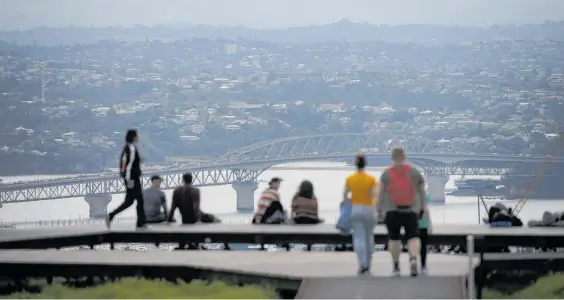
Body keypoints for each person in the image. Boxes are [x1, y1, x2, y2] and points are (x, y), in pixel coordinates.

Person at [378, 147, 428, 277]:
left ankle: (396, 266)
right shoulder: (413, 171)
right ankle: (413, 259)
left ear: (392, 157)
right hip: (410, 210)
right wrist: (422, 207)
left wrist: (379, 209)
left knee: (394, 239)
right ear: (404, 156)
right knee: (413, 237)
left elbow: (380, 193)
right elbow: (422, 190)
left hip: (392, 211)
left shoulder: (386, 173)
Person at [343, 153, 379, 275]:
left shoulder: (350, 179)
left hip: (356, 209)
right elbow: (375, 196)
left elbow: (345, 196)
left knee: (358, 237)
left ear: (355, 164)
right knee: (369, 237)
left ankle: (362, 264)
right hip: (369, 209)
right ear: (366, 164)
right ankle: (368, 264)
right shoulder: (371, 179)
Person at [106, 129, 147, 229]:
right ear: (134, 137)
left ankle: (112, 215)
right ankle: (141, 223)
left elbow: (126, 163)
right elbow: (127, 166)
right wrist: (129, 180)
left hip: (130, 178)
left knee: (129, 201)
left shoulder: (128, 148)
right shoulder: (131, 148)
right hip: (132, 179)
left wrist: (138, 160)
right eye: (138, 135)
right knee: (140, 200)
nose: (139, 136)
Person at [419, 194, 432, 275]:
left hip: (413, 224)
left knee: (413, 244)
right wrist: (430, 224)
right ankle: (423, 265)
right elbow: (426, 210)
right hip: (424, 224)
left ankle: (413, 261)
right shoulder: (425, 196)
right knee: (423, 246)